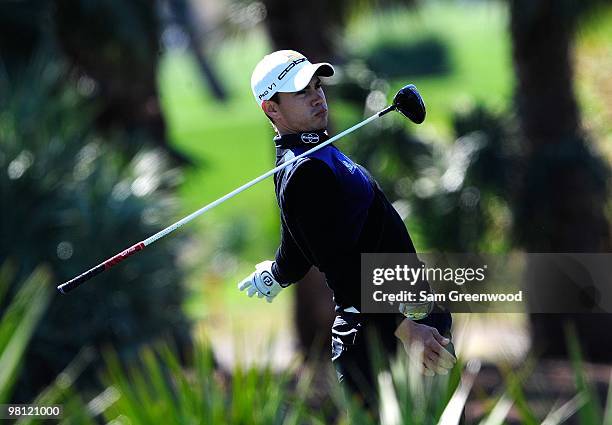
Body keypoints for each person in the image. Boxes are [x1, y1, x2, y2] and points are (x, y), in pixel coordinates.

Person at [239, 50, 457, 411]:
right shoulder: (305, 172)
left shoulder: (316, 153)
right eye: (300, 91)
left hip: (404, 319)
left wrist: (277, 273)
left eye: (317, 85)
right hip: (380, 336)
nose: (316, 95)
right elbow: (340, 266)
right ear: (271, 109)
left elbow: (301, 244)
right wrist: (405, 327)